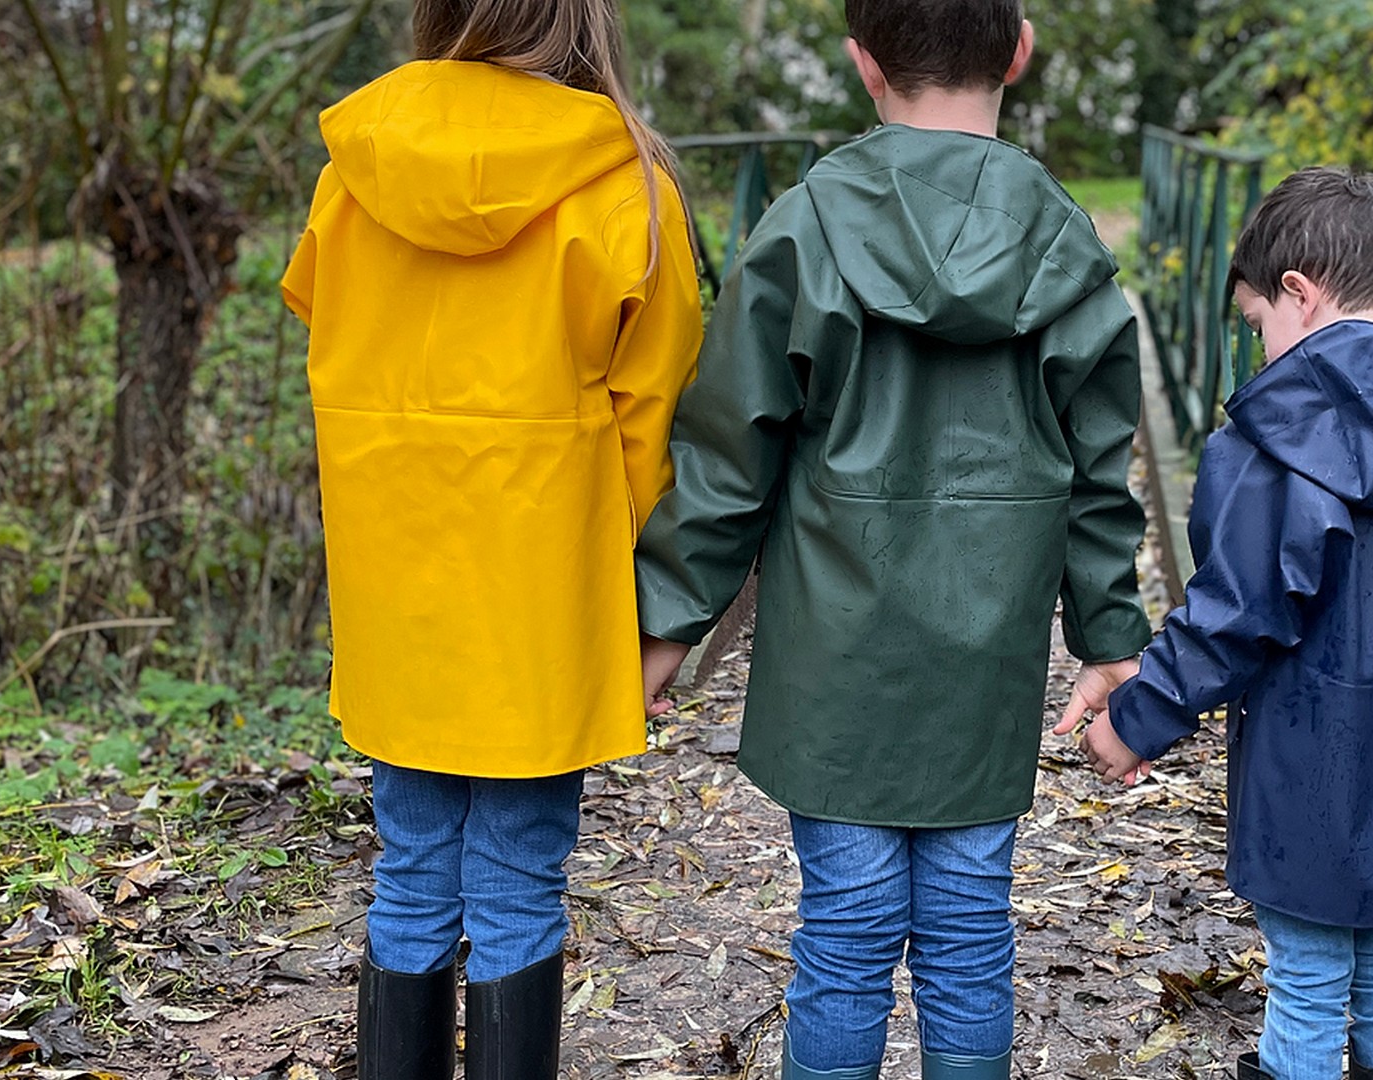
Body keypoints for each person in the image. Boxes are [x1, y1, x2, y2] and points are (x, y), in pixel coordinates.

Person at [631, 0, 1152, 1075]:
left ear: (861, 63)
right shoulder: (1064, 241)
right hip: (984, 660)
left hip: (837, 661)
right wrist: (1110, 639)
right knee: (968, 942)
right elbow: (1103, 475)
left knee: (843, 945)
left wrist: (667, 622)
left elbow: (731, 455)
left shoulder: (804, 225)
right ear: (1019, 52)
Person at [1062, 166, 1373, 1080]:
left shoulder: (1270, 448)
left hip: (1310, 757)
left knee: (1304, 977)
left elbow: (1236, 610)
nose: (1257, 349)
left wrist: (1138, 720)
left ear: (1298, 292)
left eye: (1257, 324)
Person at [279, 0, 702, 1073]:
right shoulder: (627, 185)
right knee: (519, 882)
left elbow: (322, 326)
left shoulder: (355, 169)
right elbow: (653, 421)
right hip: (539, 603)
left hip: (394, 590)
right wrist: (646, 610)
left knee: (410, 868)